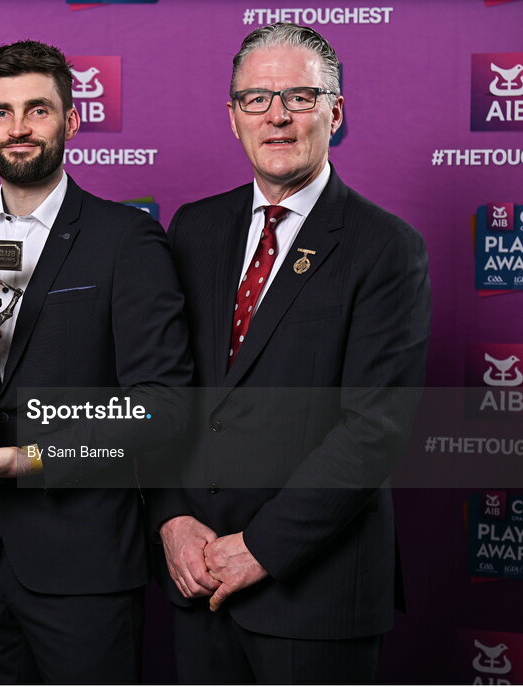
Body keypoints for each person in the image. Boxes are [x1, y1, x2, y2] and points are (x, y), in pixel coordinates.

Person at [0, 41, 192, 683]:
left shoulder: (126, 240)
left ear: (71, 120)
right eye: (1, 112)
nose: (18, 128)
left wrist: (32, 458)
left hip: (83, 568)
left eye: (37, 110)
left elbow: (162, 409)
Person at [147, 23, 431, 684]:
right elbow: (163, 390)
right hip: (197, 579)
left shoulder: (387, 247)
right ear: (233, 117)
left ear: (335, 111)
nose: (277, 116)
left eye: (300, 97)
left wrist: (262, 548)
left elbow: (374, 429)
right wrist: (170, 518)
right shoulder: (193, 228)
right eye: (257, 99)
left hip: (317, 597)